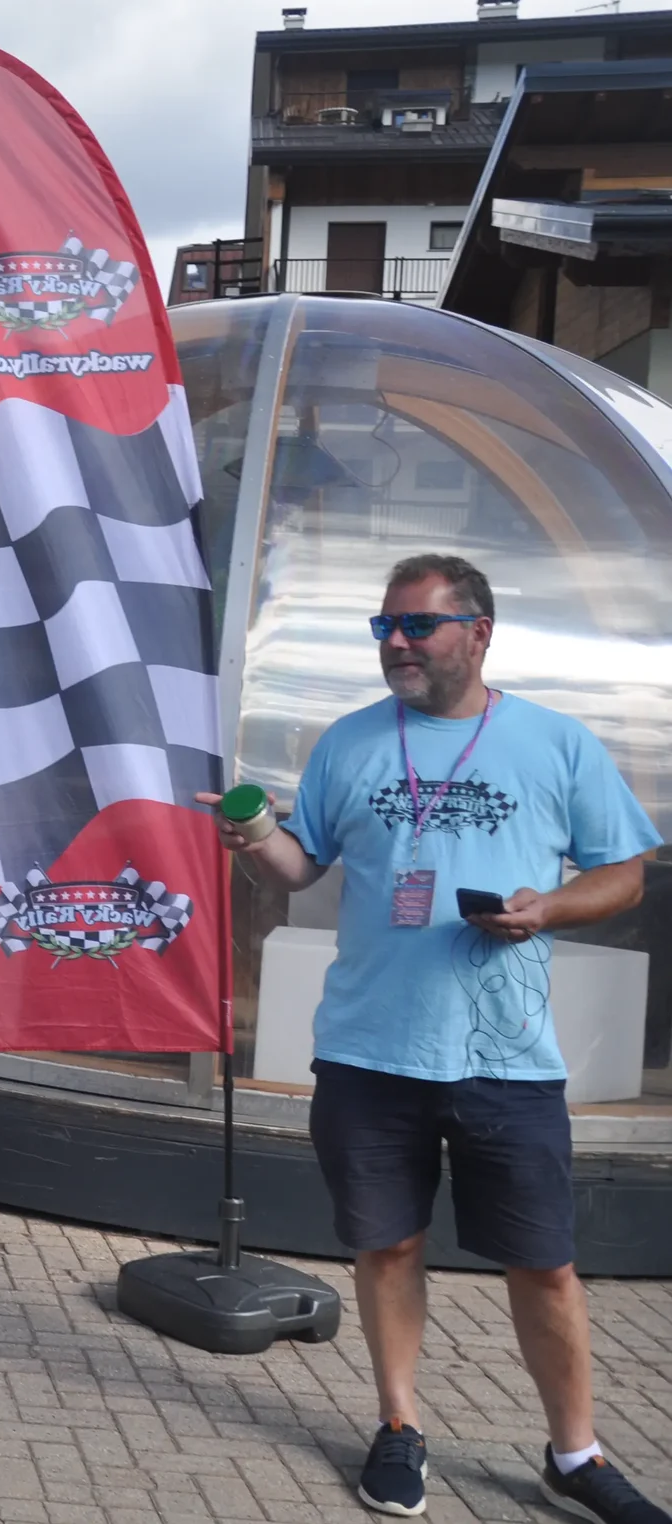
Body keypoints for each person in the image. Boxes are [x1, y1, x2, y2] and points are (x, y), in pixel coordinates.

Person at [201, 554, 666, 1523]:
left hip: (505, 1058)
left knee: (543, 1261)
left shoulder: (553, 743)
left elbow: (624, 870)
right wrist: (252, 842)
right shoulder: (349, 744)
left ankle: (572, 1453)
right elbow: (299, 865)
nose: (397, 644)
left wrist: (546, 909)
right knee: (388, 1243)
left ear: (478, 633)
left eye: (416, 626)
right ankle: (399, 1425)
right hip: (370, 1051)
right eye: (384, 628)